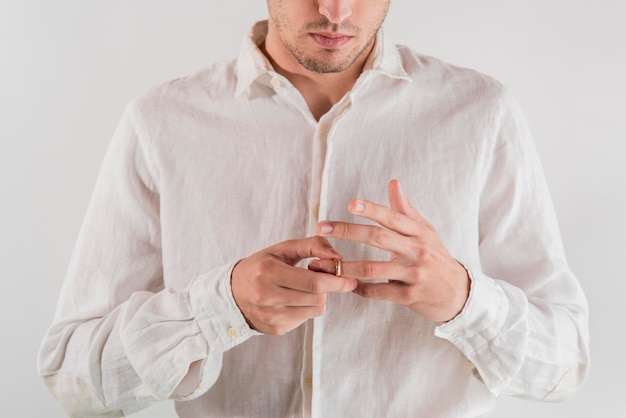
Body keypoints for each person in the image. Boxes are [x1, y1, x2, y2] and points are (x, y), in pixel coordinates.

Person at [38, 1, 590, 417]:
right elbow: (72, 377)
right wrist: (218, 310)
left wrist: (462, 299)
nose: (335, 11)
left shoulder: (481, 112)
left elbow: (565, 367)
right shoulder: (160, 121)